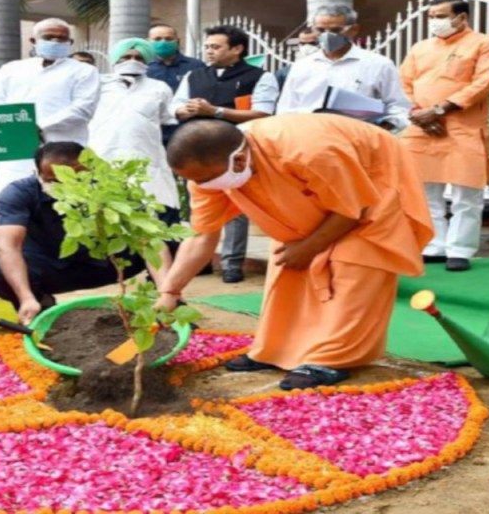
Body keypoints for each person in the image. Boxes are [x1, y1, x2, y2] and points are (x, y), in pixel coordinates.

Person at [157, 116, 433, 390]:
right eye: (192, 181)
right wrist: (170, 292)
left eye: (204, 179)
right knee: (287, 266)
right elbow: (203, 235)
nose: (200, 186)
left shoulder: (310, 151)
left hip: (373, 183)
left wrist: (309, 246)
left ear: (239, 161)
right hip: (323, 193)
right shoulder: (207, 176)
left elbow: (354, 208)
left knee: (356, 262)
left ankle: (333, 358)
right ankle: (275, 349)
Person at [0, 142, 150, 325]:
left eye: (73, 179)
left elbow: (148, 240)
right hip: (54, 267)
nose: (63, 186)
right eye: (52, 180)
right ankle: (42, 312)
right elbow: (9, 246)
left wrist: (168, 291)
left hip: (111, 263)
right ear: (38, 173)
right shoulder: (19, 193)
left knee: (174, 244)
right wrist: (26, 297)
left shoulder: (112, 189)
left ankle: (165, 308)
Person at [399, 0, 489, 272]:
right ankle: (434, 245)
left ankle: (460, 250)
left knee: (466, 194)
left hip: (463, 127)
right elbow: (404, 83)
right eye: (431, 15)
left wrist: (439, 109)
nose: (435, 20)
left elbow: (484, 83)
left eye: (442, 15)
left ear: (462, 17)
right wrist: (420, 114)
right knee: (424, 191)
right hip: (422, 126)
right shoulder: (420, 48)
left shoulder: (486, 44)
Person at [172, 24, 280, 283]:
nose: (209, 51)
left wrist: (216, 112)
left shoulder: (260, 77)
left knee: (238, 206)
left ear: (237, 49)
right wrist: (183, 111)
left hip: (239, 152)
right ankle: (203, 261)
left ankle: (232, 263)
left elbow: (263, 113)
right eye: (207, 46)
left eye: (216, 47)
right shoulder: (194, 76)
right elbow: (174, 107)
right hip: (199, 150)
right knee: (200, 208)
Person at [0, 18, 100, 202]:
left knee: (64, 205)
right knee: (11, 198)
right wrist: (14, 126)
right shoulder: (12, 69)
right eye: (49, 37)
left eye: (62, 39)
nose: (55, 42)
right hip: (17, 146)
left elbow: (83, 108)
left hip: (63, 150)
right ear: (34, 41)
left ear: (70, 43)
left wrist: (40, 126)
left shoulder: (84, 71)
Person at [88, 37, 180, 228]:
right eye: (126, 57)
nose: (133, 61)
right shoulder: (97, 84)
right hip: (103, 155)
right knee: (104, 216)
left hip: (146, 157)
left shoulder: (159, 88)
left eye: (139, 57)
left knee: (151, 216)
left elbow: (167, 117)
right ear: (114, 60)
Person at [276, 5, 410, 132]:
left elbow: (398, 106)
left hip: (359, 139)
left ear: (353, 30)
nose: (327, 35)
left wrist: (383, 128)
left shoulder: (378, 65)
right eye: (320, 30)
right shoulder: (302, 66)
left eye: (335, 30)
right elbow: (286, 109)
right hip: (309, 138)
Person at [147, 24, 207, 147]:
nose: (163, 42)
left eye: (168, 39)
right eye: (157, 39)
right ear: (149, 41)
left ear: (177, 41)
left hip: (186, 129)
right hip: (153, 129)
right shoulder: (144, 67)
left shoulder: (196, 66)